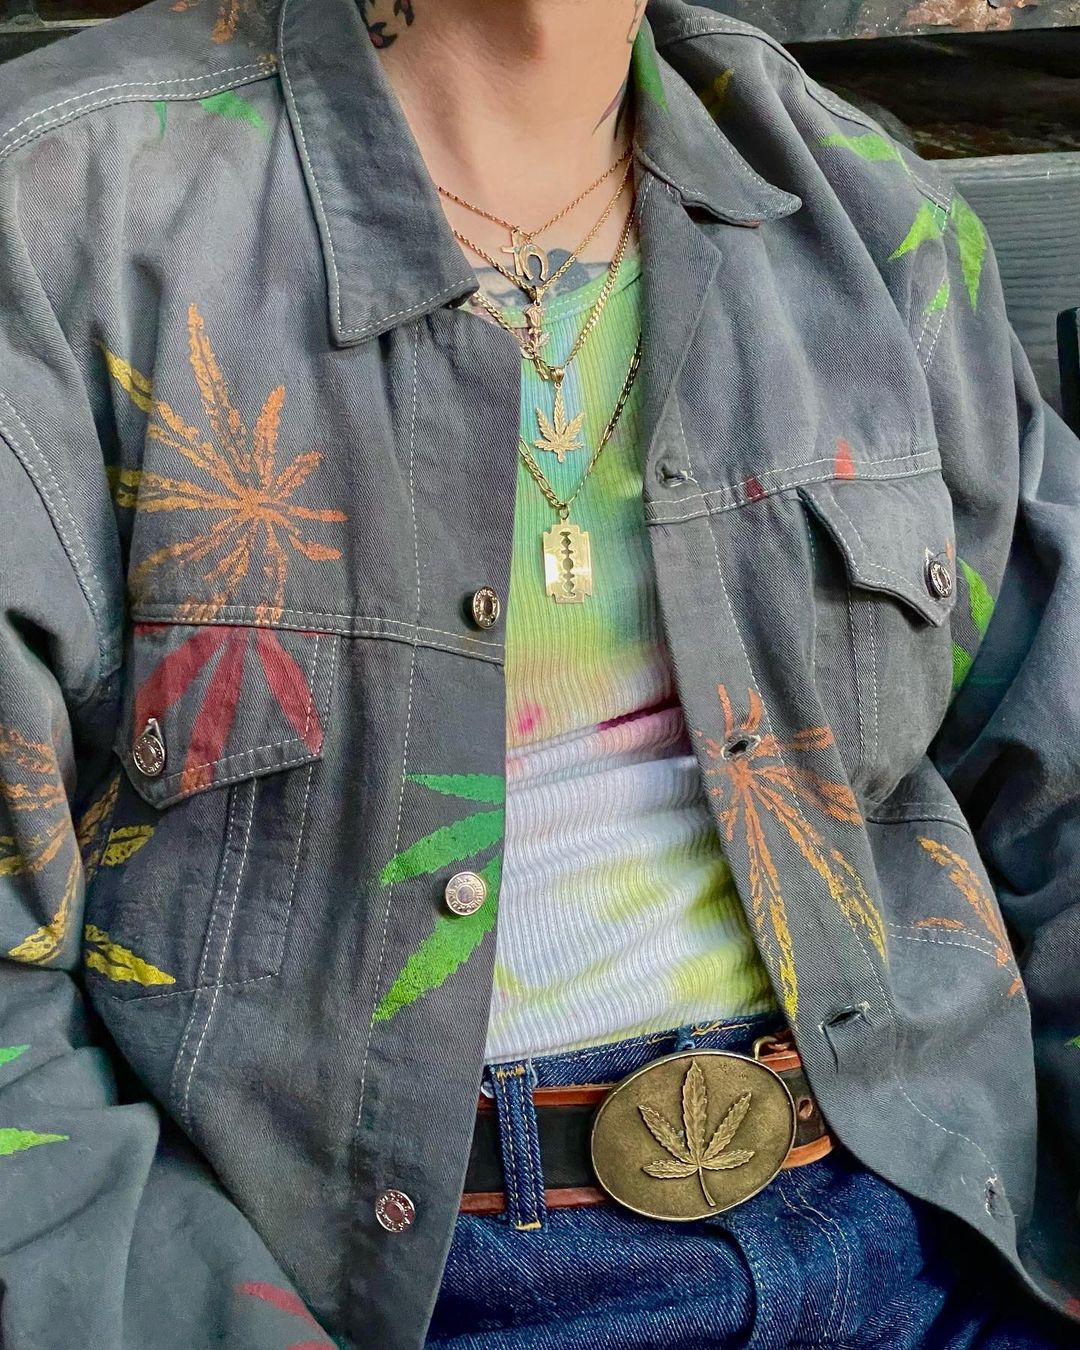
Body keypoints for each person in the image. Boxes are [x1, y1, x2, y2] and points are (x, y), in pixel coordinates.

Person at [0, 0, 1078, 1345]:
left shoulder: (867, 215)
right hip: (397, 1290)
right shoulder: (62, 217)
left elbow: (1060, 776)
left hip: (934, 1225)